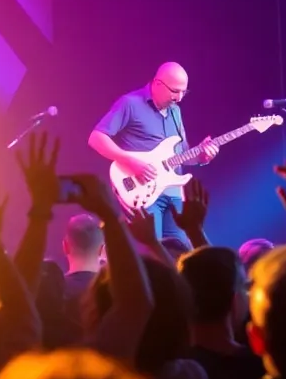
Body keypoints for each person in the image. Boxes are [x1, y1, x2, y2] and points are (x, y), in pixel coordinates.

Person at [88, 62, 218, 245]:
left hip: (174, 193)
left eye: (184, 92)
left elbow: (182, 155)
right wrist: (129, 161)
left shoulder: (176, 111)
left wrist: (203, 156)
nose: (179, 98)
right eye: (175, 91)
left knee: (183, 254)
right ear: (157, 83)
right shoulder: (130, 104)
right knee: (152, 253)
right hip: (144, 192)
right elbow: (96, 138)